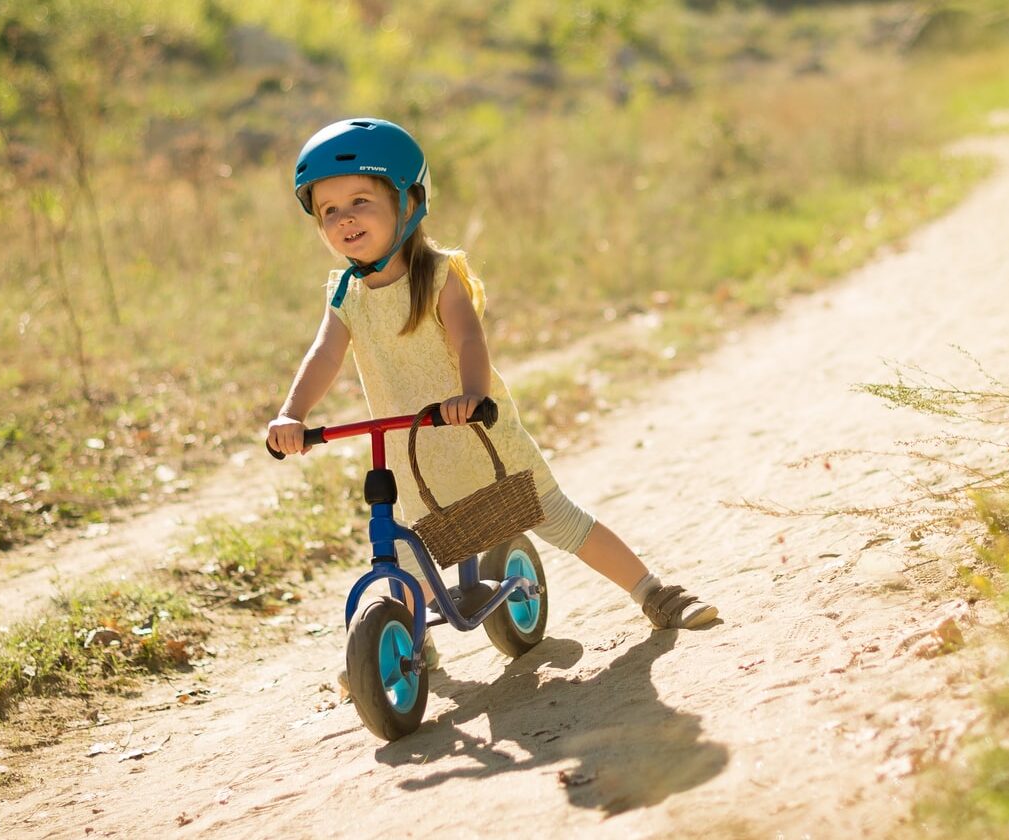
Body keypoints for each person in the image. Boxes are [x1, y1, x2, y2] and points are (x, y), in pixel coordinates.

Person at [265, 117, 718, 641]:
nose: (344, 219)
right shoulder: (344, 294)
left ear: (408, 201)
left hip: (477, 432)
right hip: (416, 453)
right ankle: (402, 650)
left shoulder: (438, 274)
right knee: (409, 559)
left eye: (360, 201)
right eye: (329, 211)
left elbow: (469, 339)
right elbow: (324, 354)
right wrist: (292, 414)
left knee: (559, 519)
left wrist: (472, 393)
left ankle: (654, 592)